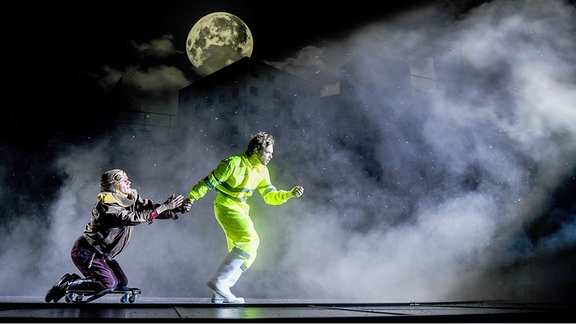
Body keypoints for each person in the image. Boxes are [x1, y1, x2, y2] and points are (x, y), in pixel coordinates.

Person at [185, 131, 304, 304]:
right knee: (251, 241)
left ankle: (221, 292)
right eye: (268, 152)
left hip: (241, 210)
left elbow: (270, 197)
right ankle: (220, 283)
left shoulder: (262, 171)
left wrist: (289, 194)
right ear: (257, 150)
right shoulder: (231, 163)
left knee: (250, 253)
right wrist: (191, 199)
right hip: (225, 207)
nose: (271, 156)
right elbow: (207, 183)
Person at [45, 168, 192, 303]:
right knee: (109, 283)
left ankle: (77, 281)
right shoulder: (106, 206)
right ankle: (67, 284)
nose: (129, 182)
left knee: (122, 282)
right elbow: (135, 218)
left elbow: (150, 209)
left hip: (101, 254)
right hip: (86, 252)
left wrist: (176, 209)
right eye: (123, 180)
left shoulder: (130, 198)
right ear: (113, 185)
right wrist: (165, 207)